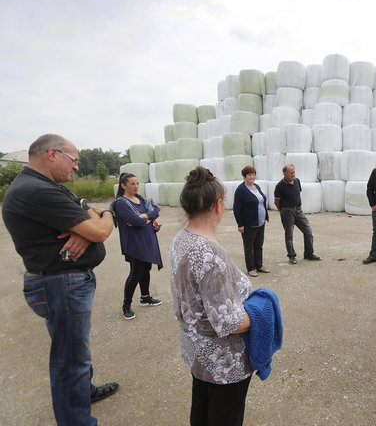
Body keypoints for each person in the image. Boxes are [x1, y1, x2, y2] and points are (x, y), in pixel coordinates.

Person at [2, 134, 119, 425]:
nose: (77, 167)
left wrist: (95, 218)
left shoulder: (47, 186)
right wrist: (101, 219)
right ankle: (77, 420)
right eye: (74, 160)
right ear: (52, 154)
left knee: (75, 349)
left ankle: (83, 392)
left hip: (65, 282)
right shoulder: (36, 191)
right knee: (70, 360)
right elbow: (101, 231)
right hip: (60, 284)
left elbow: (88, 211)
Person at [169, 166, 253, 426]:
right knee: (224, 417)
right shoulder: (209, 253)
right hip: (223, 360)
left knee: (203, 410)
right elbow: (229, 323)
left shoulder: (180, 239)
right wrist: (264, 313)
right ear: (218, 205)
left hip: (197, 351)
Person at [113, 172, 163, 320]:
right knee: (135, 272)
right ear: (123, 185)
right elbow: (136, 222)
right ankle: (126, 305)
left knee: (146, 268)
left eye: (137, 183)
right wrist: (146, 218)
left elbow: (156, 211)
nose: (136, 186)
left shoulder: (140, 199)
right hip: (135, 243)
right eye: (132, 184)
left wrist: (146, 216)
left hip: (147, 239)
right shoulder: (121, 203)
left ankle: (145, 297)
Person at [273, 164, 321, 264]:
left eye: (294, 172)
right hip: (287, 212)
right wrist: (282, 211)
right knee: (289, 235)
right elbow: (277, 202)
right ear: (284, 173)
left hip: (298, 210)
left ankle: (308, 254)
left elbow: (297, 194)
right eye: (290, 172)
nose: (293, 174)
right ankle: (291, 256)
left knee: (308, 232)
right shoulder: (279, 186)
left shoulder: (297, 181)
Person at [234, 165, 270, 277]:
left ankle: (259, 265)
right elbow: (237, 209)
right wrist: (240, 224)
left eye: (253, 174)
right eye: (250, 174)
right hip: (249, 224)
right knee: (249, 247)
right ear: (245, 176)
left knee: (259, 245)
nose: (252, 176)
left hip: (260, 222)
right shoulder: (241, 190)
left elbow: (261, 201)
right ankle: (251, 268)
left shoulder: (256, 187)